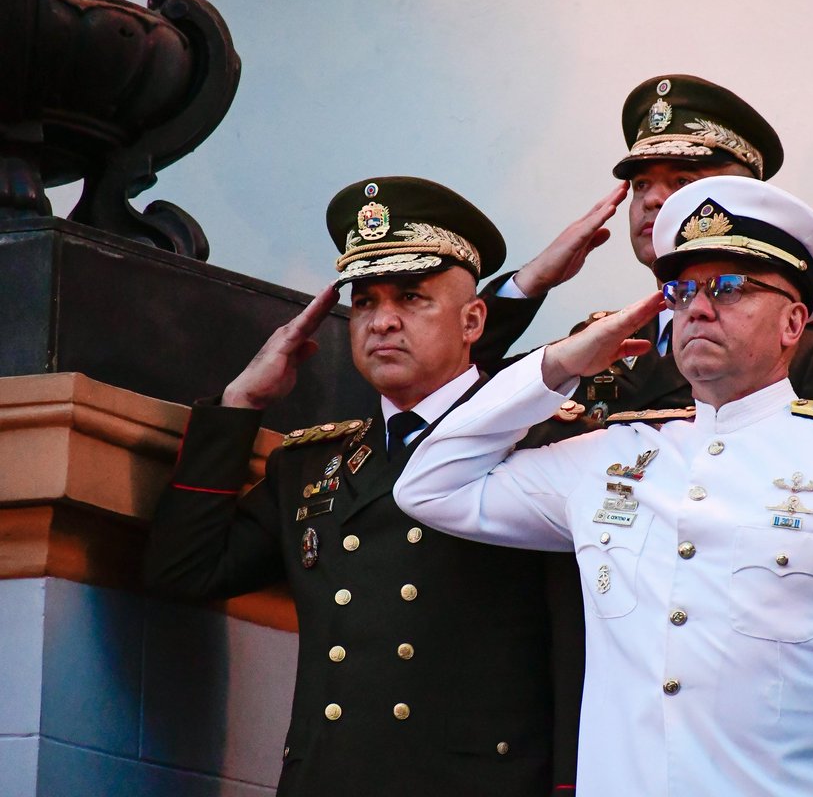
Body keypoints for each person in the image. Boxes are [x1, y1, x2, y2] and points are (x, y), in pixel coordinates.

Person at [395, 175, 813, 796]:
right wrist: (561, 363)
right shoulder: (612, 456)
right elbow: (429, 487)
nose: (698, 309)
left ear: (793, 322)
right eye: (681, 292)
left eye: (730, 288)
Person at [145, 177, 586, 796]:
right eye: (366, 302)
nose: (383, 322)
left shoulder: (542, 445)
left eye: (411, 298)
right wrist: (239, 406)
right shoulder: (313, 466)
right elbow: (185, 571)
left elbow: (580, 646)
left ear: (472, 320)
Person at [486, 74, 813, 419]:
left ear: (737, 198)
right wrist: (531, 282)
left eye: (682, 181)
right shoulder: (601, 335)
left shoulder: (809, 346)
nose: (652, 200)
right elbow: (463, 402)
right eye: (640, 185)